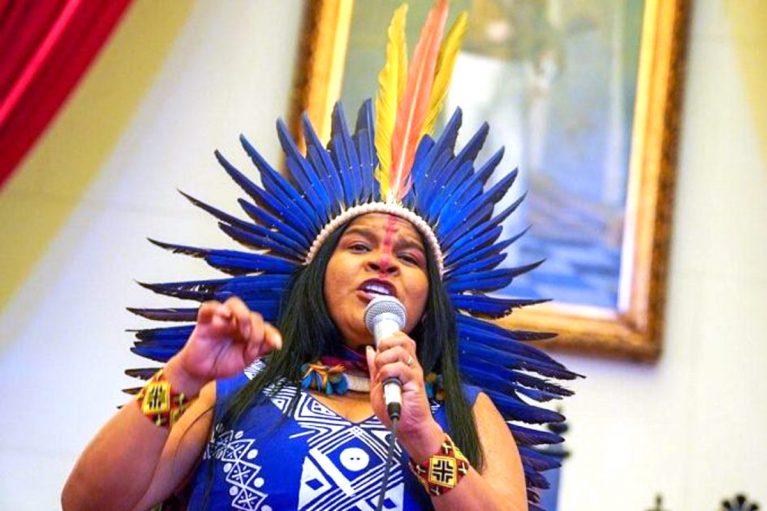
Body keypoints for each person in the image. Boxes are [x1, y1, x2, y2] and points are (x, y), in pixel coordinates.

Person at [63, 2, 576, 510]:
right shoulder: (231, 391)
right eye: (358, 246)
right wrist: (181, 376)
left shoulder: (465, 413)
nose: (383, 262)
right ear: (317, 276)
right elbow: (88, 503)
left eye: (409, 258)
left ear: (429, 304)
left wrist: (423, 436)